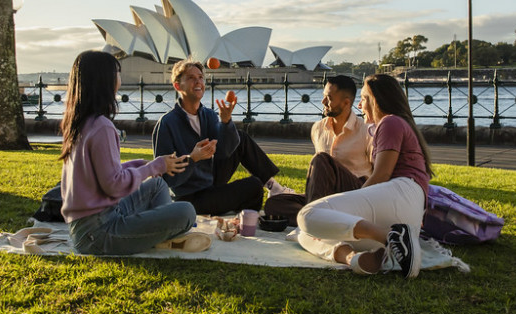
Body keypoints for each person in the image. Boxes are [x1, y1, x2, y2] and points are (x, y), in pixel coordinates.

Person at [60, 51, 208, 255]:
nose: (120, 78)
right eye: (117, 73)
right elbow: (113, 185)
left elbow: (101, 175)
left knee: (157, 184)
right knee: (186, 211)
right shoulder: (103, 127)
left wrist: (141, 165)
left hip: (91, 223)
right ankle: (161, 234)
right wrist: (155, 166)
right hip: (98, 233)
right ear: (106, 79)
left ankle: (156, 233)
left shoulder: (81, 122)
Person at [296, 73, 433, 279]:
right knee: (306, 233)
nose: (359, 106)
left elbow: (381, 175)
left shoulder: (390, 122)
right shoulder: (393, 124)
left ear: (376, 101)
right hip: (403, 211)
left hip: (400, 195)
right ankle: (355, 259)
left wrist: (351, 200)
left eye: (363, 99)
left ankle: (390, 238)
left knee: (306, 215)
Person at [152, 59, 294, 216]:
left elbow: (225, 151)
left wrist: (226, 122)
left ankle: (273, 187)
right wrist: (193, 159)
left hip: (209, 181)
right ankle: (240, 212)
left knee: (240, 137)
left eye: (200, 77)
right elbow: (166, 179)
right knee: (253, 186)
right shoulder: (167, 123)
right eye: (191, 78)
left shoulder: (209, 115)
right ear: (177, 86)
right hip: (188, 197)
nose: (198, 81)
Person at [264, 74, 372, 225]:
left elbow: (378, 174)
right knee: (273, 204)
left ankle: (315, 220)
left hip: (353, 195)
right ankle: (325, 219)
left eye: (329, 98)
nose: (323, 102)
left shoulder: (366, 131)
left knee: (321, 158)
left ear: (346, 103)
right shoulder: (317, 129)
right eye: (323, 96)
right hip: (324, 197)